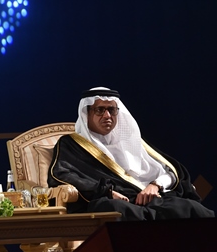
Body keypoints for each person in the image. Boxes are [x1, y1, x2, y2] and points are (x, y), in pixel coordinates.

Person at [48, 87, 214, 220]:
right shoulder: (72, 144)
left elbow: (170, 172)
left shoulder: (130, 141)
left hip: (151, 199)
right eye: (100, 110)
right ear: (87, 113)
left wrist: (155, 185)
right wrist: (106, 192)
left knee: (190, 208)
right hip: (115, 200)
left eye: (111, 110)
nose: (107, 115)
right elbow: (62, 175)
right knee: (114, 209)